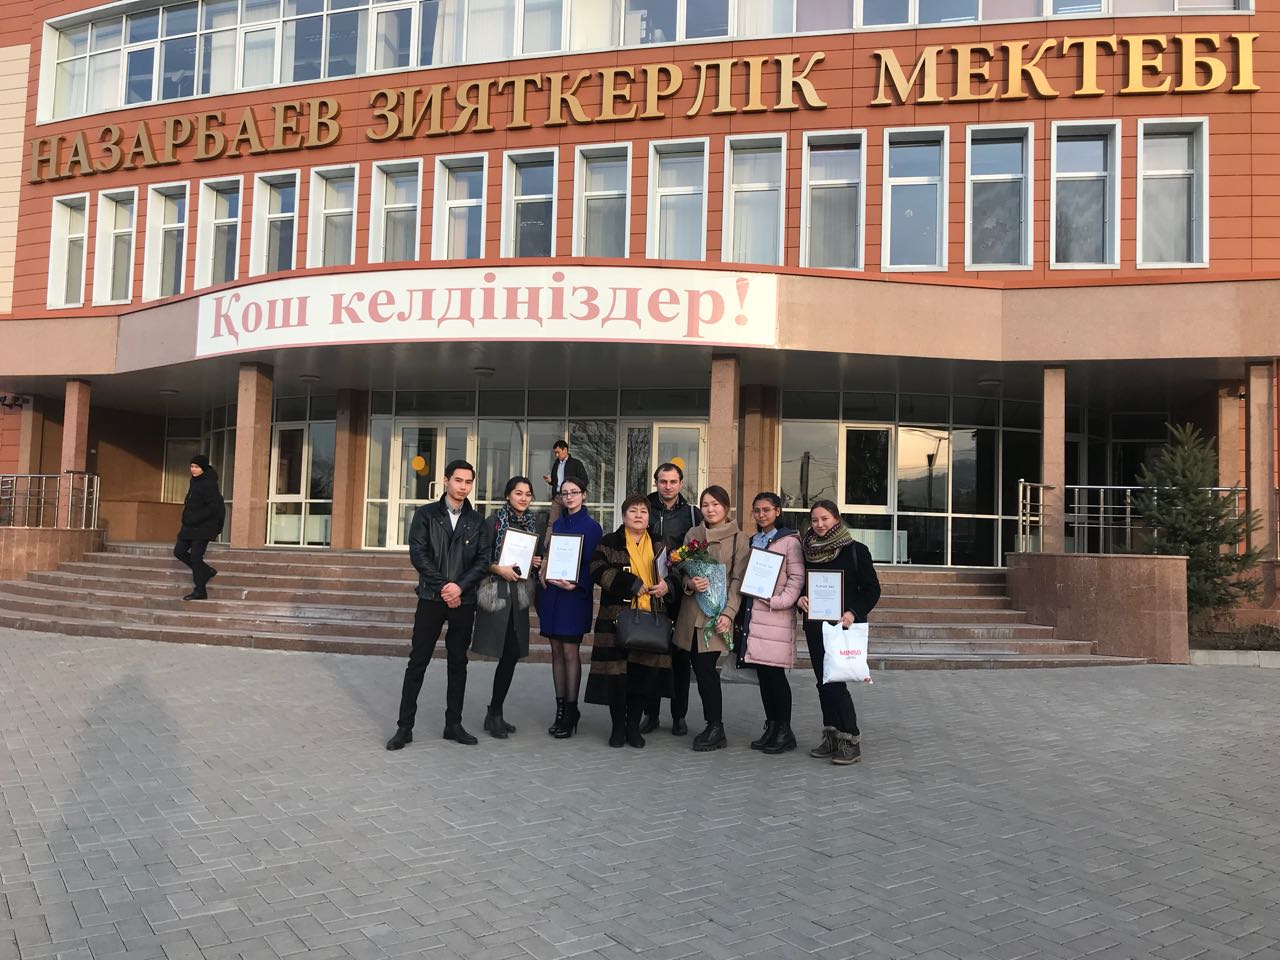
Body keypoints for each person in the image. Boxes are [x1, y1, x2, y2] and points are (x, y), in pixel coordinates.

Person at [387, 459, 493, 750]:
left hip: (464, 600)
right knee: (417, 662)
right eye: (458, 480)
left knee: (458, 663)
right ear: (446, 481)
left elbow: (483, 560)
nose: (463, 487)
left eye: (468, 482)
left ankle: (453, 725)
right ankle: (404, 728)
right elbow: (418, 554)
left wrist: (459, 587)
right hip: (431, 598)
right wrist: (445, 587)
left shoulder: (477, 521)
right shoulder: (426, 515)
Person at [585, 495, 677, 748]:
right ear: (624, 516)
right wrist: (631, 584)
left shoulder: (660, 543)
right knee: (616, 676)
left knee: (642, 677)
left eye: (643, 511)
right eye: (633, 511)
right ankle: (617, 728)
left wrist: (667, 585)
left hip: (651, 618)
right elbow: (597, 570)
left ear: (649, 517)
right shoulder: (609, 542)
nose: (638, 515)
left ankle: (633, 728)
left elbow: (676, 572)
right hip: (616, 619)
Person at [798, 499, 881, 766]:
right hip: (815, 626)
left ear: (837, 518)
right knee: (822, 682)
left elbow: (872, 590)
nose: (819, 524)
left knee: (836, 683)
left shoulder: (856, 550)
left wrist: (853, 612)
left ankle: (851, 738)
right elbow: (801, 584)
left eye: (824, 519)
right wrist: (801, 598)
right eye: (814, 520)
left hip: (842, 626)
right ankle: (832, 734)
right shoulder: (807, 550)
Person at [672, 485, 750, 752]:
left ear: (726, 507)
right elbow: (681, 569)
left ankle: (716, 727)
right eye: (705, 505)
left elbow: (738, 579)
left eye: (715, 504)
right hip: (690, 611)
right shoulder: (693, 534)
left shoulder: (739, 538)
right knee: (690, 665)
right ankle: (684, 718)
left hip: (715, 615)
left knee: (706, 670)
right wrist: (690, 583)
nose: (710, 509)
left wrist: (729, 613)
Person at [470, 476, 542, 739]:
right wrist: (497, 568)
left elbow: (535, 560)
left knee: (512, 654)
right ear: (508, 495)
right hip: (497, 594)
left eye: (528, 494)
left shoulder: (533, 524)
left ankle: (495, 712)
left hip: (519, 595)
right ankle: (494, 713)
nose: (523, 498)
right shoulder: (493, 522)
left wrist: (536, 561)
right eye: (518, 493)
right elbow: (478, 557)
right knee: (505, 651)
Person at [739, 492, 805, 755]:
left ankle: (785, 731)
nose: (761, 515)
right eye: (757, 510)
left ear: (778, 511)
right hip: (755, 616)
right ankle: (772, 726)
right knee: (764, 677)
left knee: (776, 676)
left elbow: (796, 579)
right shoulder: (754, 540)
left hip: (776, 617)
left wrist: (778, 601)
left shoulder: (790, 541)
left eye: (766, 510)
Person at [537, 477, 603, 738]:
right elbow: (550, 556)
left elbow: (594, 566)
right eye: (564, 493)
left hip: (574, 596)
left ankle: (572, 710)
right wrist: (543, 568)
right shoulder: (557, 523)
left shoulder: (593, 527)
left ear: (584, 495)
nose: (569, 497)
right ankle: (560, 709)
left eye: (574, 492)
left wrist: (577, 584)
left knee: (569, 651)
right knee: (555, 651)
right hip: (553, 594)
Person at [640, 462, 702, 736]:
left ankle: (679, 716)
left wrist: (674, 582)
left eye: (673, 481)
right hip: (649, 592)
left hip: (680, 594)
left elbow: (698, 553)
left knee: (680, 658)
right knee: (651, 654)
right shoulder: (644, 509)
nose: (667, 486)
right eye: (663, 481)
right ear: (656, 482)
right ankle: (650, 714)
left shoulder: (691, 514)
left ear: (680, 483)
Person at [173, 453, 225, 601]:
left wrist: (196, 517)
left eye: (196, 467)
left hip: (203, 527)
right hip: (189, 526)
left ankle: (200, 590)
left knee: (196, 558)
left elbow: (214, 507)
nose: (193, 469)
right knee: (179, 551)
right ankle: (206, 571)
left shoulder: (209, 484)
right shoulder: (194, 481)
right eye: (191, 466)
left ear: (203, 468)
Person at [542, 440, 588, 525]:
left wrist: (576, 492)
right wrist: (551, 481)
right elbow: (556, 482)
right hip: (558, 496)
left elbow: (584, 480)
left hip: (572, 496)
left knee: (574, 520)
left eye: (558, 452)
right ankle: (550, 535)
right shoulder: (556, 464)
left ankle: (576, 535)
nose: (556, 455)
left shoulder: (576, 463)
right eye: (555, 453)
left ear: (565, 450)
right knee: (552, 522)